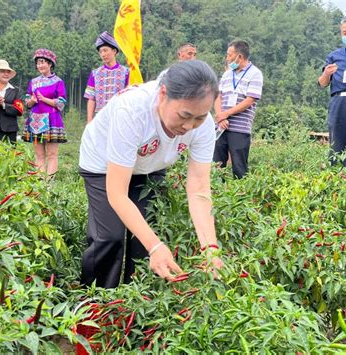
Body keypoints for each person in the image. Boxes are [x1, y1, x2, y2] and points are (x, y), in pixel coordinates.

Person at [79, 60, 224, 288]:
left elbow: (199, 190)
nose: (189, 126)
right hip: (102, 164)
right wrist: (156, 247)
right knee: (110, 238)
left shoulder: (203, 126)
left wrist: (210, 249)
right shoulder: (133, 110)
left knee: (143, 244)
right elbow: (117, 194)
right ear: (163, 94)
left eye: (199, 118)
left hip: (149, 166)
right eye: (184, 115)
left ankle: (133, 304)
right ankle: (95, 302)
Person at [213, 40, 263, 179]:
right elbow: (218, 96)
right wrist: (220, 116)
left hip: (239, 129)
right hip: (221, 127)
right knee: (216, 166)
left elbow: (250, 100)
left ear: (239, 57)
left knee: (239, 167)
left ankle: (241, 196)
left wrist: (226, 114)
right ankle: (217, 195)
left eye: (229, 55)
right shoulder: (227, 74)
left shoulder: (255, 73)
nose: (227, 58)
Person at [318, 14, 346, 165]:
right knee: (336, 145)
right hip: (339, 101)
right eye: (345, 33)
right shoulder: (334, 56)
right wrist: (326, 73)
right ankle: (336, 179)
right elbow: (322, 83)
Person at [23, 48, 67, 178]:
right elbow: (27, 103)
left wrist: (45, 100)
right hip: (36, 120)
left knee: (52, 155)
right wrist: (31, 100)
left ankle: (49, 184)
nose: (40, 65)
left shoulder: (58, 82)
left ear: (50, 64)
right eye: (38, 63)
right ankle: (40, 183)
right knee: (39, 155)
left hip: (52, 119)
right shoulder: (34, 82)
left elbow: (61, 103)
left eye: (43, 62)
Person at [84, 31, 130, 123]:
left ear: (114, 51)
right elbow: (91, 99)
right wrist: (89, 122)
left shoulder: (126, 73)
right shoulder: (95, 74)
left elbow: (130, 98)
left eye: (105, 50)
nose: (103, 54)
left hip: (120, 119)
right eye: (100, 52)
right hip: (100, 119)